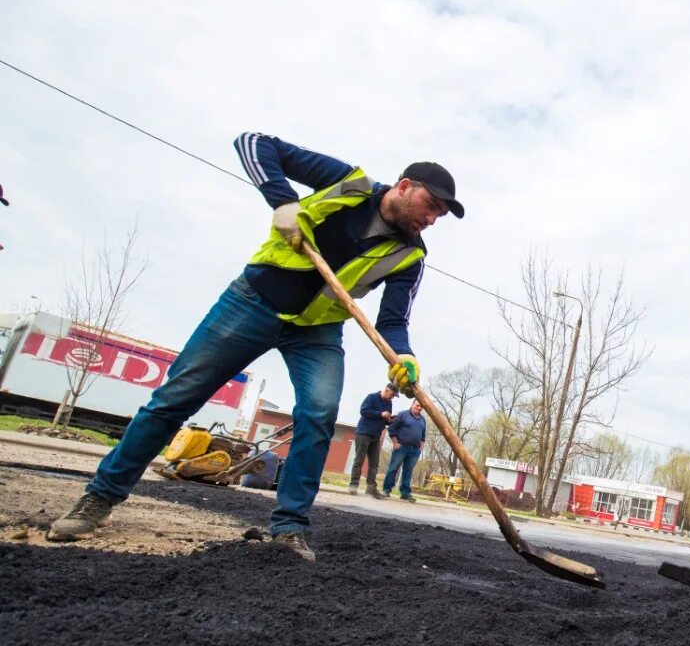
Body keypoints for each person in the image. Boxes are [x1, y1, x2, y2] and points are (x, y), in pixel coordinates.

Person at [46, 133, 464, 561]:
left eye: (440, 215)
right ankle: (100, 497)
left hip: (317, 332)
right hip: (252, 304)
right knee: (175, 398)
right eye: (431, 206)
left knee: (318, 415)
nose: (432, 219)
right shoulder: (348, 181)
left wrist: (404, 356)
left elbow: (393, 321)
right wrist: (283, 201)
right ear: (405, 186)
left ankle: (289, 528)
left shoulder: (410, 255)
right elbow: (253, 142)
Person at [350, 384, 396, 498]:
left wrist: (391, 420)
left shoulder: (389, 403)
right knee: (359, 460)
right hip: (364, 433)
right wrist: (380, 414)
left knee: (374, 464)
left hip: (376, 436)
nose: (392, 397)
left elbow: (385, 420)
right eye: (392, 394)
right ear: (386, 390)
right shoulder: (371, 397)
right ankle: (353, 485)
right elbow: (363, 411)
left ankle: (371, 488)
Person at [383, 402, 427, 501]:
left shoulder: (422, 420)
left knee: (408, 471)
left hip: (415, 450)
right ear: (412, 404)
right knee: (393, 468)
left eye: (421, 406)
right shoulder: (403, 415)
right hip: (401, 447)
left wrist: (421, 448)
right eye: (417, 405)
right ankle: (386, 490)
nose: (419, 408)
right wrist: (395, 443)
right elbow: (391, 428)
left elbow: (423, 436)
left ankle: (405, 493)